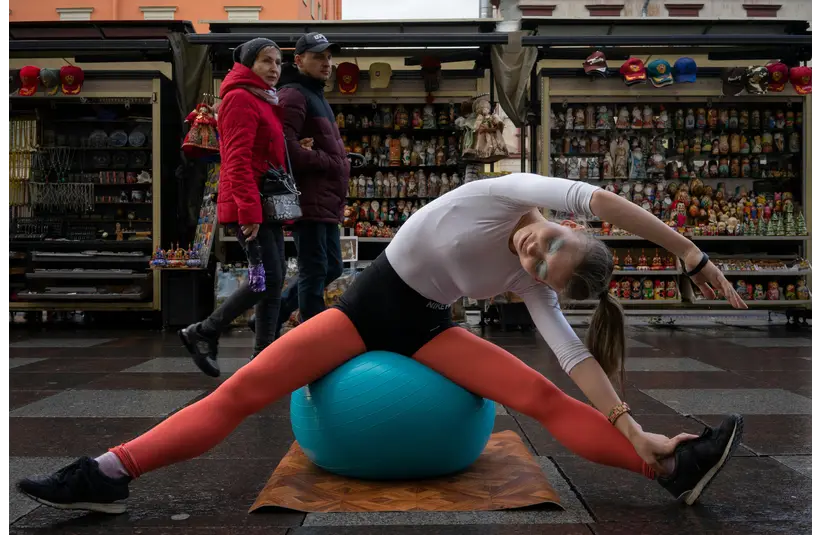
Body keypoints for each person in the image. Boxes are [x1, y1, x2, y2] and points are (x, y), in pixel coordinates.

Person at [18, 173, 747, 514]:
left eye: (538, 269)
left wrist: (635, 427)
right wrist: (689, 252)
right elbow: (608, 200)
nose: (529, 255)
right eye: (544, 244)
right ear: (568, 224)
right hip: (368, 309)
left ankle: (669, 469)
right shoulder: (514, 192)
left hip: (428, 327)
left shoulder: (536, 281)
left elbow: (573, 356)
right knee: (241, 391)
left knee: (542, 396)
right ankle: (108, 471)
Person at [178, 38, 292, 374]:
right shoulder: (241, 99)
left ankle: (264, 356)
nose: (274, 69)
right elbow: (237, 160)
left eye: (278, 63)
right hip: (250, 205)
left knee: (274, 278)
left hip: (264, 205)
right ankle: (203, 331)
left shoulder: (262, 99)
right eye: (266, 62)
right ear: (248, 65)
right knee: (263, 280)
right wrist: (248, 213)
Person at [271, 32, 350, 335]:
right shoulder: (294, 94)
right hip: (309, 198)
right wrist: (331, 161)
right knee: (315, 269)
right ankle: (315, 337)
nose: (326, 63)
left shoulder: (316, 95)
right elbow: (285, 147)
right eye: (318, 57)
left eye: (329, 57)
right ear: (299, 60)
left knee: (332, 267)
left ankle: (274, 314)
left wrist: (340, 158)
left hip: (325, 199)